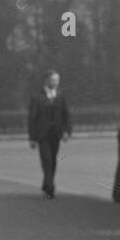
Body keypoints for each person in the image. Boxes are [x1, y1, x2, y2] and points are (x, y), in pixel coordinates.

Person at [28, 70, 72, 199]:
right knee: (46, 159)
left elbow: (66, 114)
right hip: (43, 134)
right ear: (47, 80)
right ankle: (50, 186)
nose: (56, 82)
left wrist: (67, 131)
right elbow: (32, 118)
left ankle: (47, 183)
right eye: (53, 80)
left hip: (56, 134)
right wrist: (32, 138)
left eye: (57, 80)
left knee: (53, 159)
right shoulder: (37, 96)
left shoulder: (60, 95)